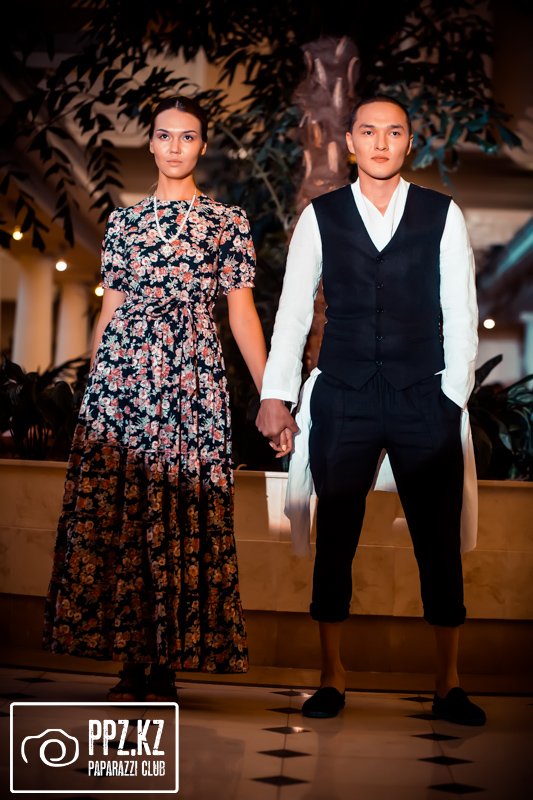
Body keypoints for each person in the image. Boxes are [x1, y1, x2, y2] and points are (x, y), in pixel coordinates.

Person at [256, 95, 486, 725]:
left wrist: (450, 395)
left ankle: (448, 683)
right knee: (336, 539)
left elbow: (461, 312)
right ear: (351, 142)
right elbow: (293, 312)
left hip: (423, 394)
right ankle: (332, 676)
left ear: (409, 142)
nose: (381, 143)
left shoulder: (442, 214)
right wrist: (276, 394)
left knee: (437, 540)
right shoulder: (320, 215)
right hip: (345, 392)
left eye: (394, 132)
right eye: (369, 131)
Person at [43, 95, 267, 701]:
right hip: (121, 384)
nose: (175, 146)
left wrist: (272, 394)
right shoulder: (123, 223)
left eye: (187, 136)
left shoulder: (226, 222)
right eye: (164, 135)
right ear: (149, 143)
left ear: (202, 146)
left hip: (192, 382)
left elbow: (241, 315)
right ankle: (131, 658)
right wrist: (92, 393)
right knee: (126, 512)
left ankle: (167, 658)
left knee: (179, 510)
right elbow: (109, 311)